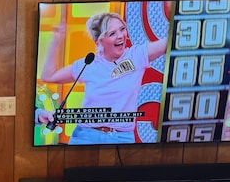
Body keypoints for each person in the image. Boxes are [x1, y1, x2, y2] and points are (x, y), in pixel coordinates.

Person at [40, 12, 167, 145]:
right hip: (85, 136)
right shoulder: (88, 64)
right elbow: (48, 76)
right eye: (112, 33)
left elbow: (170, 41)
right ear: (99, 41)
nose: (120, 36)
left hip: (122, 137)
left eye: (122, 29)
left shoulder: (137, 56)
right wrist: (55, 41)